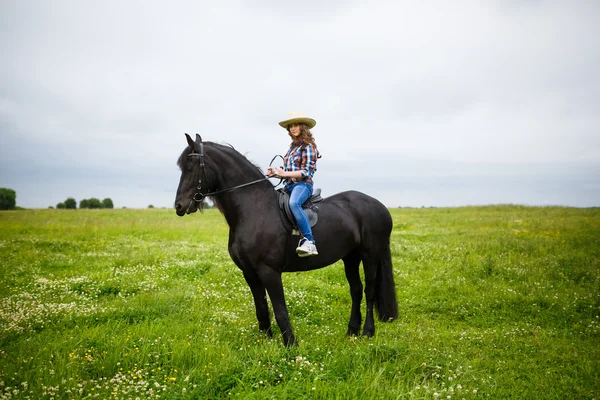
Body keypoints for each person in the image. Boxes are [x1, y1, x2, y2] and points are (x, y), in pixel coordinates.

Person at [266, 112, 321, 257]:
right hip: (289, 185)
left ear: (303, 127)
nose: (292, 128)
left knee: (294, 203)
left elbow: (306, 172)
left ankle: (309, 241)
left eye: (295, 125)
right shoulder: (292, 148)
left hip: (303, 185)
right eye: (290, 126)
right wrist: (276, 172)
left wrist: (284, 174)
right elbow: (289, 171)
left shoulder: (309, 147)